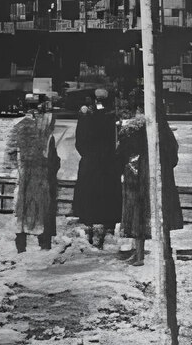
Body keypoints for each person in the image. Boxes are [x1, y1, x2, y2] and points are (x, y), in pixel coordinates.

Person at [116, 99, 184, 266]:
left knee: (138, 215)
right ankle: (164, 252)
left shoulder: (134, 129)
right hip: (158, 177)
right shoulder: (162, 130)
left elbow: (122, 151)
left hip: (138, 175)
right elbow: (173, 156)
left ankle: (140, 254)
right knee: (161, 216)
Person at [4, 92, 59, 252]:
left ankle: (21, 244)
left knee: (23, 207)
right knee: (42, 207)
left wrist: (14, 168)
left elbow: (10, 151)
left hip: (25, 173)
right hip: (41, 173)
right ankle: (44, 243)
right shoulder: (46, 127)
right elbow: (52, 154)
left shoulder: (19, 125)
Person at [72, 88, 120, 248]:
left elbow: (79, 142)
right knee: (107, 197)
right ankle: (106, 231)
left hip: (90, 162)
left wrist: (87, 155)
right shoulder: (112, 117)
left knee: (89, 197)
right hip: (107, 163)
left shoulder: (86, 116)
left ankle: (90, 231)